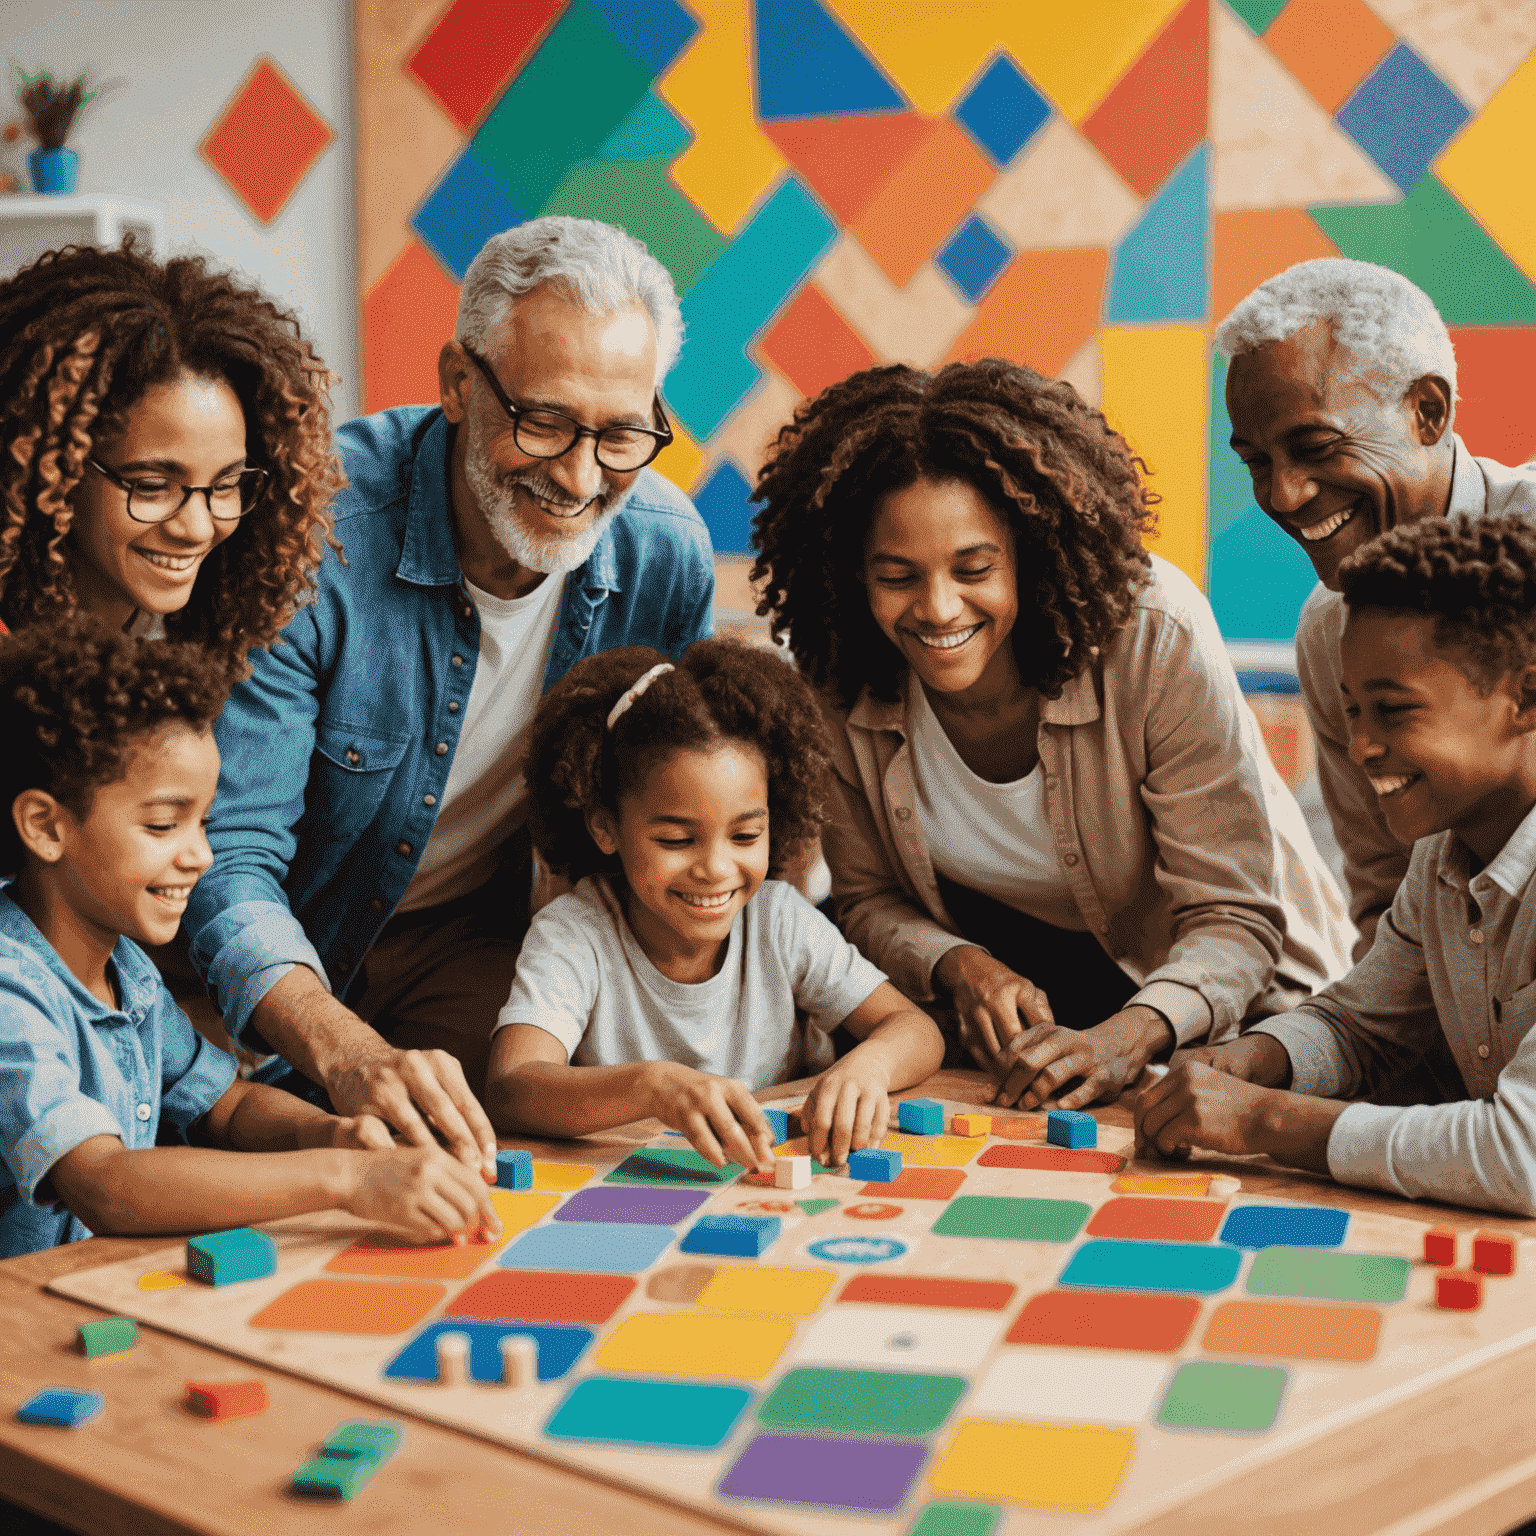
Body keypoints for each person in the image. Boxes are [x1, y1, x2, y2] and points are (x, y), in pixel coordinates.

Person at [183, 217, 715, 1174]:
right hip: (273, 943)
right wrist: (344, 1051)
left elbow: (677, 803)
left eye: (625, 434)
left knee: (487, 1184)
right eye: (544, 420)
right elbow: (230, 853)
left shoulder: (663, 553)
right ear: (459, 383)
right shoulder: (316, 535)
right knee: (247, 1170)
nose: (581, 475)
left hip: (472, 943)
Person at [751, 360, 1354, 1111]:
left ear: (1031, 554)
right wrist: (957, 965)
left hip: (1220, 1013)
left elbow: (1231, 916)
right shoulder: (835, 662)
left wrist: (1128, 1035)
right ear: (850, 575)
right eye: (896, 577)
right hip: (1011, 1037)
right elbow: (865, 897)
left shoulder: (1152, 632)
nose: (938, 609)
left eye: (974, 568)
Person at [0, 620, 499, 1258]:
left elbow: (226, 1107)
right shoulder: (14, 986)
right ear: (46, 827)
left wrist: (342, 1137)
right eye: (162, 825)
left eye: (203, 823)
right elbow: (104, 1183)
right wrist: (347, 1179)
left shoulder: (127, 969)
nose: (200, 856)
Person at [1136, 515, 1536, 1216]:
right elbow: (1365, 1024)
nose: (1360, 747)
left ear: (1524, 699)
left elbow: (1520, 1152)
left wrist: (1260, 1120)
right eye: (1353, 711)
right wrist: (1257, 1060)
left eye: (1393, 711)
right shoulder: (1443, 854)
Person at [484, 639, 945, 1169]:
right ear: (605, 825)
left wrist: (869, 1068)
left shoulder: (778, 920)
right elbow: (512, 1087)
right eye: (677, 841)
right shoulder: (574, 933)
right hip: (635, 1199)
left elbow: (915, 1030)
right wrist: (651, 1086)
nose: (716, 869)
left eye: (746, 835)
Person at [1218, 257, 1536, 960]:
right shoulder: (1331, 629)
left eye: (1316, 448)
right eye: (1257, 462)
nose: (1284, 495)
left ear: (1429, 412)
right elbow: (1389, 898)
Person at [0, 242, 343, 665]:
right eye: (151, 486)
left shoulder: (191, 637)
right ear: (51, 474)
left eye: (227, 484)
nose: (197, 529)